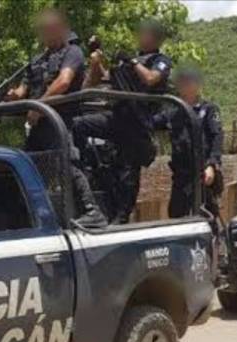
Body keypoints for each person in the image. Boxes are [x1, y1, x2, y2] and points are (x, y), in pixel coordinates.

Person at [5, 8, 107, 228]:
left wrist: (40, 106)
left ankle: (93, 212)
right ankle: (30, 216)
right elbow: (23, 89)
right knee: (29, 165)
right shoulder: (37, 60)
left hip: (61, 120)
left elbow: (63, 82)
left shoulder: (72, 52)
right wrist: (13, 95)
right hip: (39, 124)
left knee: (66, 163)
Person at [75, 18, 173, 224]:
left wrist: (133, 61)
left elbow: (151, 79)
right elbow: (105, 79)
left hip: (137, 121)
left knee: (128, 172)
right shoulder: (129, 59)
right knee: (77, 125)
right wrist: (97, 57)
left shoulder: (160, 59)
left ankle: (121, 217)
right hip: (116, 116)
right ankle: (82, 173)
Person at [153, 67, 224, 218]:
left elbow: (217, 137)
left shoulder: (208, 110)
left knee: (207, 217)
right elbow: (151, 123)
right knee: (176, 216)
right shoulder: (172, 112)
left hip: (202, 174)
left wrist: (212, 165)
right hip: (181, 176)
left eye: (189, 81)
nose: (185, 85)